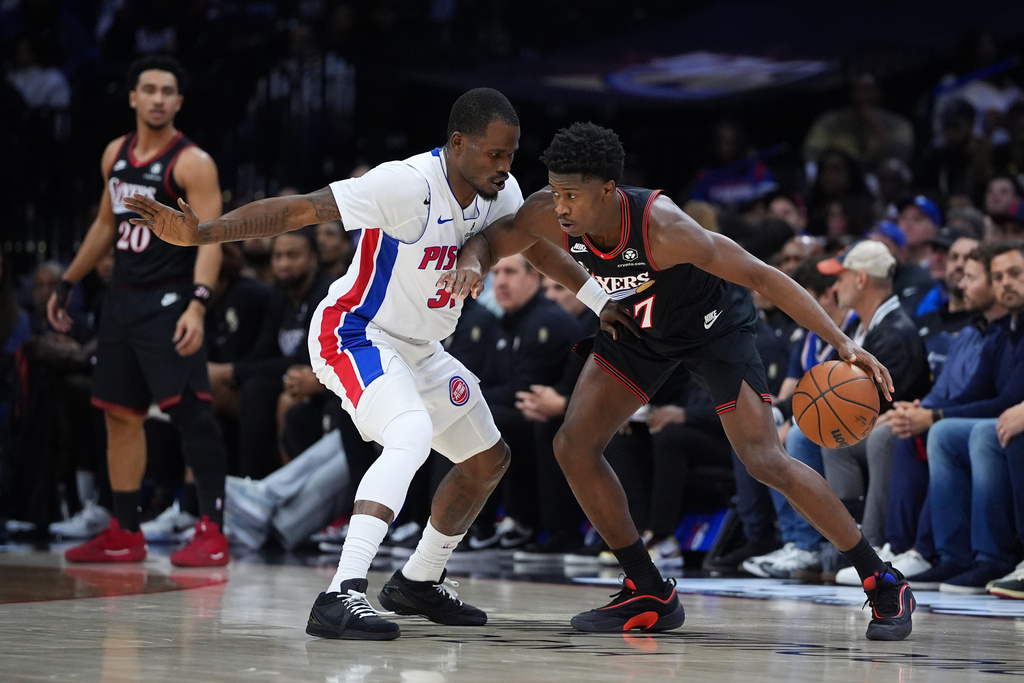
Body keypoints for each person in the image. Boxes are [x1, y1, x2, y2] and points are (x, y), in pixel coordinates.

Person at [444, 122, 913, 641]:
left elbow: (763, 276)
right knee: (573, 445)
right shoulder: (549, 210)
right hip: (638, 326)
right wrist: (475, 261)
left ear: (608, 190)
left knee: (763, 458)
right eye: (555, 192)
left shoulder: (664, 227)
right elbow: (504, 241)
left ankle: (882, 579)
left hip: (712, 327)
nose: (560, 208)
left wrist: (841, 342)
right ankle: (648, 589)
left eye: (571, 195)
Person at [124, 87, 528, 641]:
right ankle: (340, 593)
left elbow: (541, 245)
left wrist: (603, 299)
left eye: (512, 155)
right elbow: (300, 209)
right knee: (408, 433)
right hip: (356, 330)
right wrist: (205, 233)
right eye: (495, 155)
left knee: (488, 459)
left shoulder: (500, 192)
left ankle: (419, 579)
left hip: (423, 349)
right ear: (458, 144)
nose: (505, 168)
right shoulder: (406, 183)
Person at [46, 55, 230, 567]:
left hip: (170, 298)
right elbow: (107, 226)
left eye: (167, 91)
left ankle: (213, 529)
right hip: (121, 302)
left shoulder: (192, 162)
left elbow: (210, 238)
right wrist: (69, 279)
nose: (157, 98)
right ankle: (125, 530)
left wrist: (198, 304)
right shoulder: (115, 154)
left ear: (179, 101)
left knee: (190, 412)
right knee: (120, 417)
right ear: (132, 97)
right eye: (148, 89)